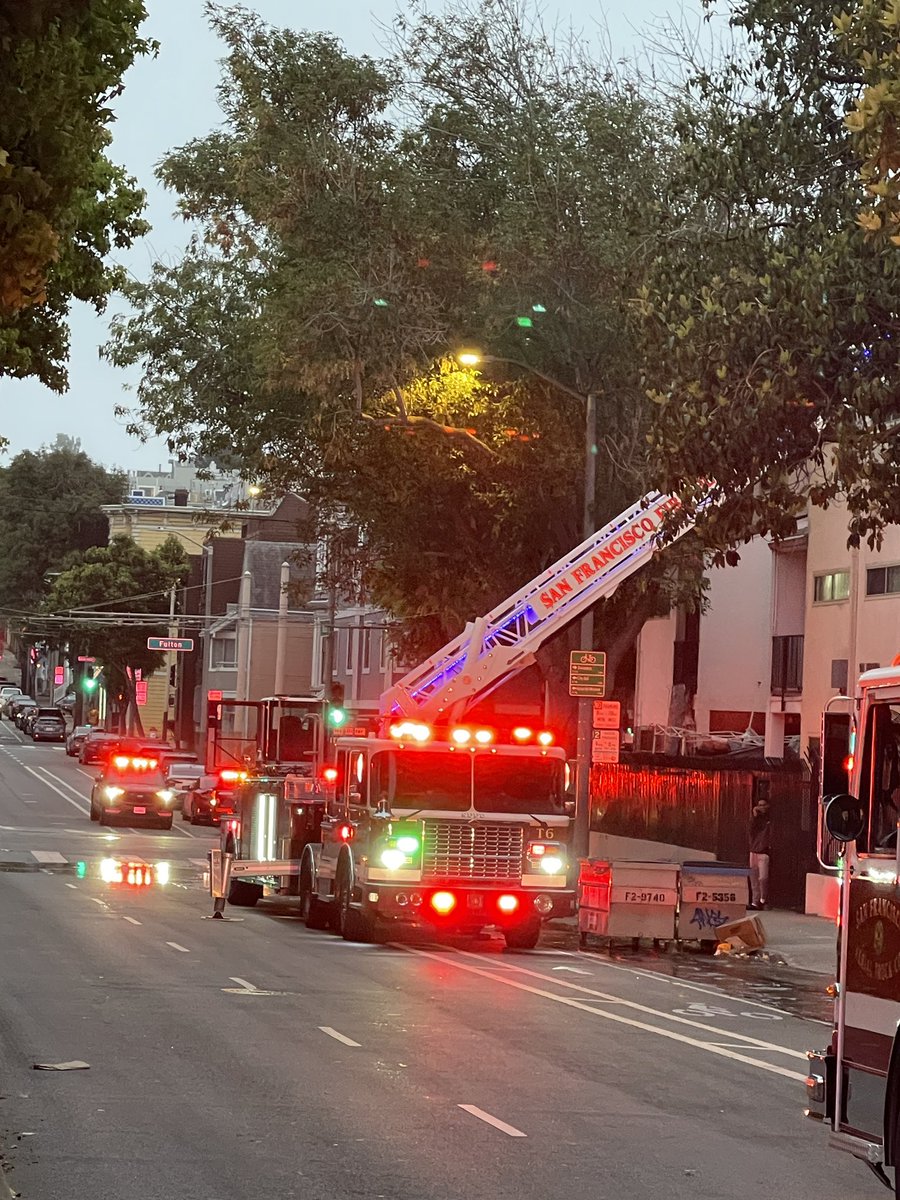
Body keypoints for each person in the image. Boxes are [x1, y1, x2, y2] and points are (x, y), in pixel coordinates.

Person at [748, 797, 772, 910]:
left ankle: (763, 899)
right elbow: (751, 829)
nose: (761, 808)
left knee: (763, 878)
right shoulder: (755, 819)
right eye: (759, 805)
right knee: (754, 877)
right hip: (754, 850)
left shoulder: (769, 820)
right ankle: (755, 901)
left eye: (763, 805)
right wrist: (754, 815)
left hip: (763, 851)